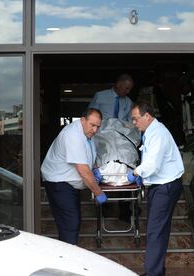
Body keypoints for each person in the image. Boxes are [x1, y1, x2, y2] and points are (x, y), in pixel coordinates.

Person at [128, 101, 184, 276]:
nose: (134, 123)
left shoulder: (157, 133)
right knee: (158, 231)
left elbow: (152, 165)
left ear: (147, 116)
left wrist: (135, 173)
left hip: (165, 187)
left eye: (136, 119)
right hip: (160, 186)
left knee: (155, 232)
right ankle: (156, 271)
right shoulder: (151, 132)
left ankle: (153, 273)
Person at [40, 108, 107, 245]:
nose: (94, 130)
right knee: (70, 223)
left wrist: (95, 170)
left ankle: (68, 254)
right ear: (82, 120)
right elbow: (82, 169)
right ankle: (67, 259)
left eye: (97, 127)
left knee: (71, 222)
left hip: (69, 184)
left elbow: (89, 159)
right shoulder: (73, 135)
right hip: (59, 182)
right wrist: (98, 192)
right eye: (92, 125)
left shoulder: (87, 135)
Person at [89, 73, 136, 222]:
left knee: (125, 166)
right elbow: (90, 116)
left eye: (129, 89)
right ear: (119, 84)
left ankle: (125, 210)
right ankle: (104, 207)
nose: (127, 92)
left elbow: (130, 122)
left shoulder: (128, 102)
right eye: (126, 88)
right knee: (104, 166)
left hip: (121, 139)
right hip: (103, 137)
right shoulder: (100, 96)